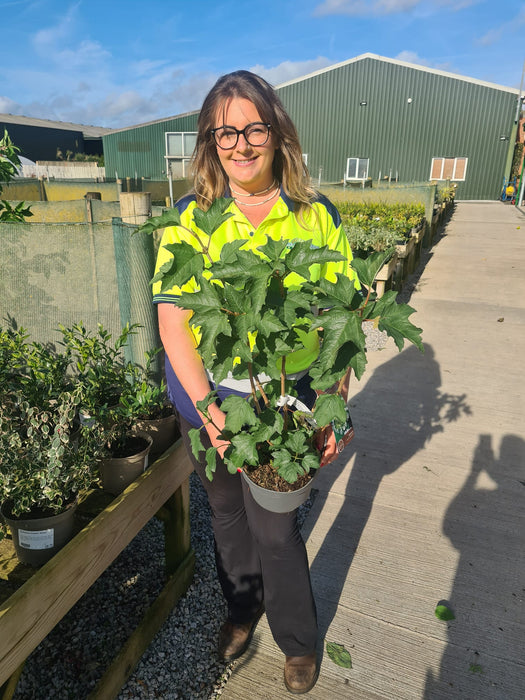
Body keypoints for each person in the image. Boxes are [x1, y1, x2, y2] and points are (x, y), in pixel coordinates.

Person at [152, 70, 356, 695]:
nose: (240, 144)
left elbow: (341, 317)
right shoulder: (191, 218)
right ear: (210, 142)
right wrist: (209, 408)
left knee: (274, 525)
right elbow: (173, 321)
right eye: (225, 132)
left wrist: (333, 404)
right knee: (225, 513)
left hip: (281, 403)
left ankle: (296, 639)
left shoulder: (314, 215)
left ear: (277, 131)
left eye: (253, 128)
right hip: (208, 396)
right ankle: (241, 610)